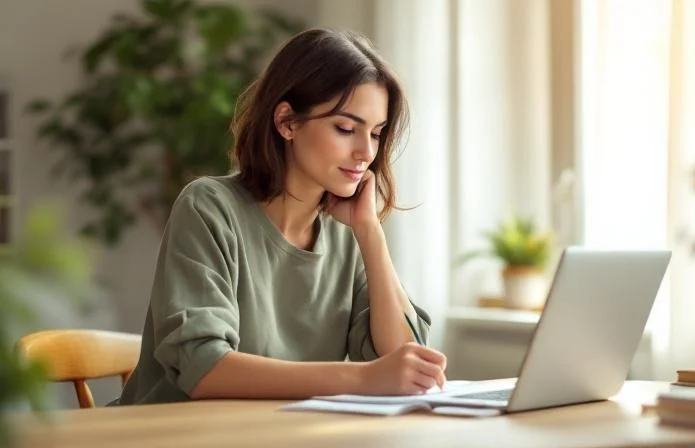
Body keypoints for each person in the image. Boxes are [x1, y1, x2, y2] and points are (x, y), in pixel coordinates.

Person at [116, 28, 447, 405]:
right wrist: (361, 378)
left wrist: (370, 234)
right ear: (287, 122)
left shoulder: (348, 231)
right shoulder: (208, 207)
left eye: (375, 133)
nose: (365, 152)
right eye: (345, 128)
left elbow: (402, 360)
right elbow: (203, 368)